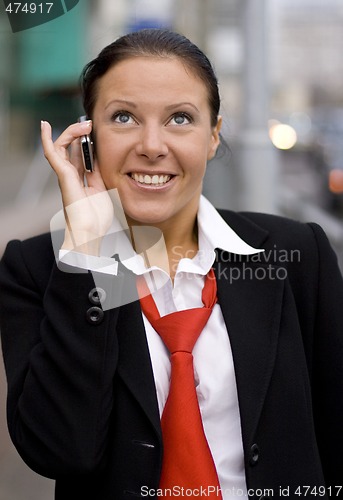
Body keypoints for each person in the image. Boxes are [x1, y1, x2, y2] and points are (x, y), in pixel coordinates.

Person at [0, 29, 342, 500]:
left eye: (180, 118)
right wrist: (90, 253)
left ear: (213, 134)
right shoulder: (38, 269)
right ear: (87, 138)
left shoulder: (296, 254)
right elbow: (62, 451)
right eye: (123, 117)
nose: (152, 145)